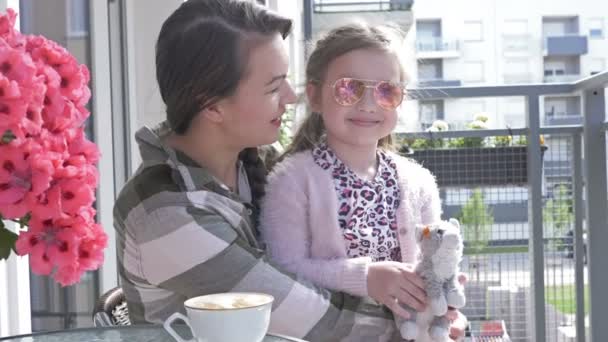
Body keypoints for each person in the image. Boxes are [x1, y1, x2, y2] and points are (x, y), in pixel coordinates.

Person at [113, 0, 466, 341]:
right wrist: (419, 323)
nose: (291, 96)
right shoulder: (163, 215)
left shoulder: (255, 164)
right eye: (272, 86)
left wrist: (438, 309)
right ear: (212, 105)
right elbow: (302, 316)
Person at [260, 22, 466, 340]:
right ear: (314, 96)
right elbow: (282, 270)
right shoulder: (292, 181)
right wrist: (365, 277)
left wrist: (446, 310)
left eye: (386, 90)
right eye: (348, 88)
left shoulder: (419, 182)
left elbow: (434, 260)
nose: (368, 104)